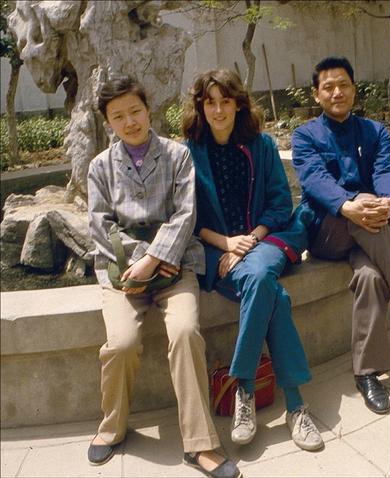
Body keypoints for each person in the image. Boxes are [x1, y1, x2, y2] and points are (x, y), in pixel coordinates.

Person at [87, 76, 241, 478]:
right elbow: (100, 226)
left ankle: (200, 444)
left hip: (175, 269)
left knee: (186, 332)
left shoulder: (177, 155)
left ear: (148, 109)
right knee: (121, 344)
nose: (130, 122)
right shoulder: (100, 167)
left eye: (135, 111)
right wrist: (143, 261)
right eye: (118, 116)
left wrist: (158, 258)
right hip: (123, 273)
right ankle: (112, 426)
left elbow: (185, 214)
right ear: (108, 122)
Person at [182, 68, 324, 452]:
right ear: (200, 107)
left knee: (260, 274)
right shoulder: (189, 153)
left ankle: (242, 387)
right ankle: (296, 405)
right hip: (217, 251)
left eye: (225, 101)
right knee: (271, 294)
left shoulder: (261, 146)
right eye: (210, 102)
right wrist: (227, 244)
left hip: (267, 239)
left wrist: (250, 240)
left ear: (239, 104)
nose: (218, 110)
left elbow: (280, 203)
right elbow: (187, 217)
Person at [291, 56, 390, 415]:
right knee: (358, 208)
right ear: (317, 94)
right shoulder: (305, 135)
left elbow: (387, 169)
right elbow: (314, 180)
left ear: (354, 90)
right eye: (328, 87)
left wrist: (388, 200)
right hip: (327, 231)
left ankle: (367, 373)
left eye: (343, 85)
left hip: (367, 232)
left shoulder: (375, 132)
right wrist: (348, 204)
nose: (337, 92)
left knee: (371, 278)